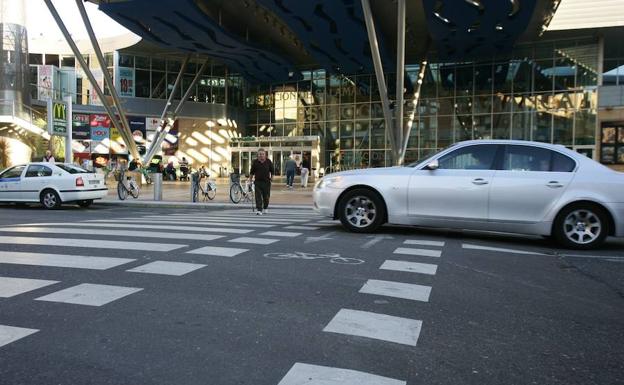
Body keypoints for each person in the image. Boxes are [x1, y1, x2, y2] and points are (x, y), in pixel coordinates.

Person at [250, 148, 274, 215]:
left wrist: (272, 178)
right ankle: (259, 209)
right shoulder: (255, 162)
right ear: (258, 155)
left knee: (266, 197)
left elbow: (272, 171)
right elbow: (251, 172)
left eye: (262, 154)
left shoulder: (268, 161)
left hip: (266, 182)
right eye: (260, 154)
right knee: (258, 196)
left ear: (265, 154)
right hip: (257, 182)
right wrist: (250, 180)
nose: (261, 155)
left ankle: (265, 207)